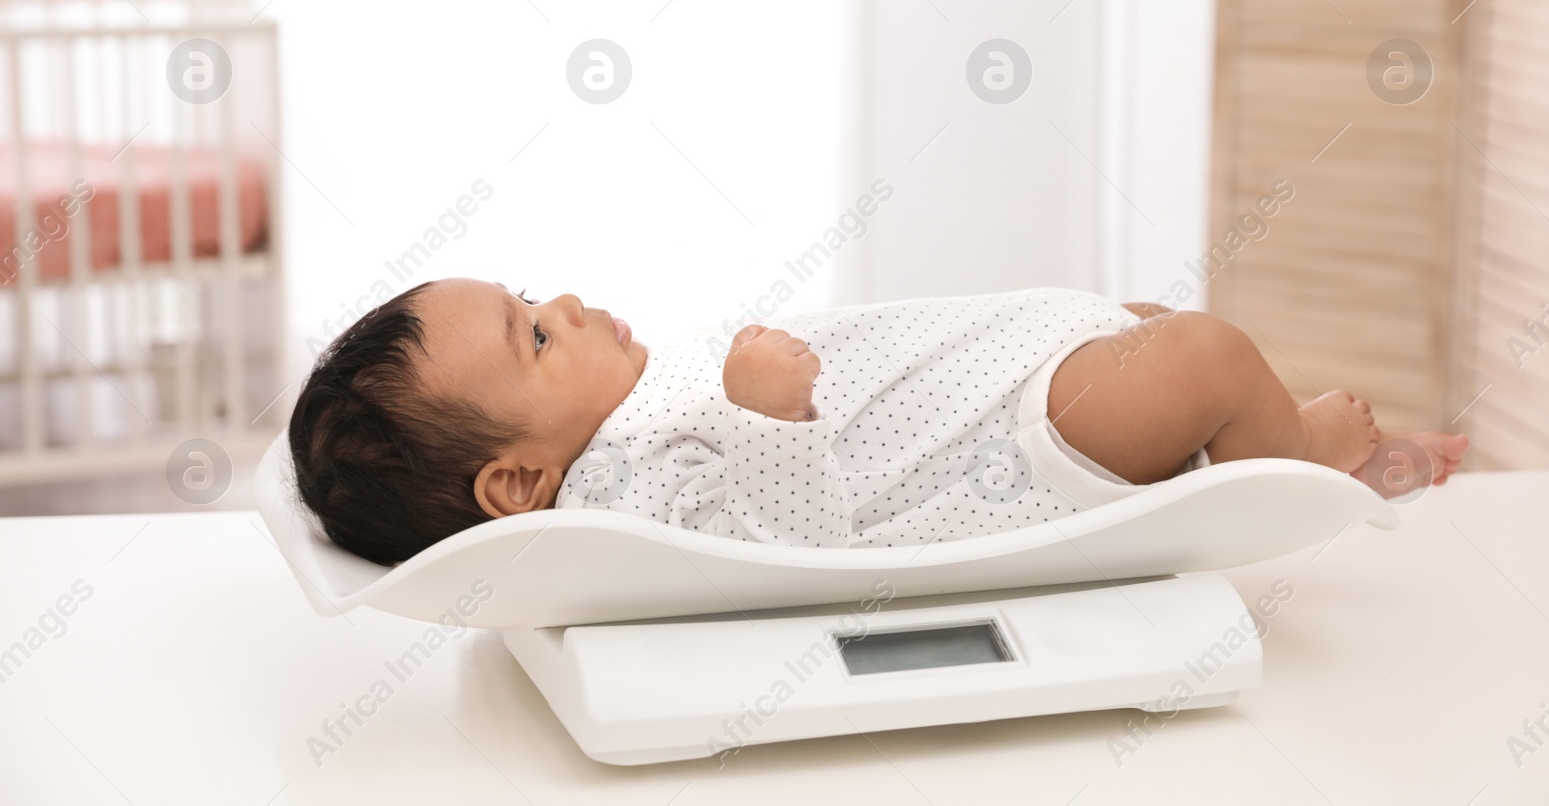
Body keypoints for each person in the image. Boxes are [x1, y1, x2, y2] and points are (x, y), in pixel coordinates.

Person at [288, 278, 1467, 565]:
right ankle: (1293, 471)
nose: (561, 306)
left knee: (1152, 325)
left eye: (530, 294)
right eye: (532, 337)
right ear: (512, 483)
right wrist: (770, 414)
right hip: (1007, 454)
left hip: (993, 397)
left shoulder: (622, 446)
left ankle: (1280, 441)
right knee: (1202, 353)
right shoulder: (619, 512)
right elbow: (798, 553)